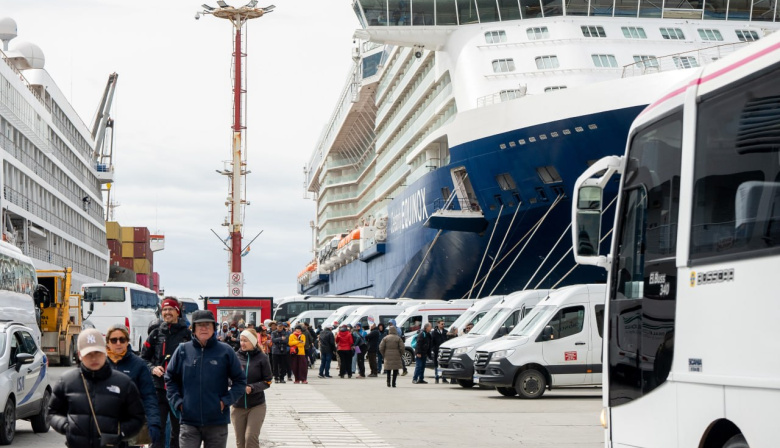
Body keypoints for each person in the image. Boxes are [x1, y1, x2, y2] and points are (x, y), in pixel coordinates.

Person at [49, 328, 146, 447]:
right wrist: (66, 426)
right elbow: (52, 412)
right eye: (88, 354)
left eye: (98, 353)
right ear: (79, 355)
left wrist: (119, 433)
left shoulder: (124, 383)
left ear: (105, 351)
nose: (94, 358)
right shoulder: (66, 381)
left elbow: (138, 417)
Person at [165, 310, 247, 448]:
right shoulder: (183, 350)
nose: (204, 328)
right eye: (200, 325)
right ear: (194, 329)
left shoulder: (226, 351)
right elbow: (170, 378)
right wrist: (178, 402)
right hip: (189, 421)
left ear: (214, 328)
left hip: (217, 422)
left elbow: (240, 381)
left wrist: (225, 401)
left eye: (208, 325)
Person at [142, 297, 192, 448]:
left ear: (178, 312)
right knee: (158, 430)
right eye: (164, 309)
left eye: (171, 309)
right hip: (158, 390)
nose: (167, 312)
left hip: (179, 391)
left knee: (178, 433)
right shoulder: (156, 333)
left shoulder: (187, 335)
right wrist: (152, 368)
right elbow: (143, 358)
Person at [106, 324, 162, 446]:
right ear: (108, 343)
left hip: (131, 427)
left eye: (122, 339)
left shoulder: (139, 365)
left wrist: (154, 423)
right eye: (114, 340)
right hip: (106, 427)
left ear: (127, 342)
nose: (118, 343)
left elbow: (149, 396)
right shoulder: (100, 364)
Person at [232, 328, 272, 448]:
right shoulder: (235, 356)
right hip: (237, 405)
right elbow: (227, 376)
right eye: (241, 340)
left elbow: (268, 381)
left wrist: (252, 388)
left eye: (246, 341)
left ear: (253, 342)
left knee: (250, 439)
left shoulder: (262, 358)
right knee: (240, 443)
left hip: (256, 405)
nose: (242, 343)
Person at [431, 319, 449, 384]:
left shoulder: (445, 332)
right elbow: (432, 341)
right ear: (438, 324)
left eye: (443, 324)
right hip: (436, 350)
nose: (443, 325)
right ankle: (437, 377)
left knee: (443, 364)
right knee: (436, 364)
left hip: (444, 351)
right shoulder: (434, 332)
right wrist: (433, 349)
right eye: (441, 324)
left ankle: (444, 378)